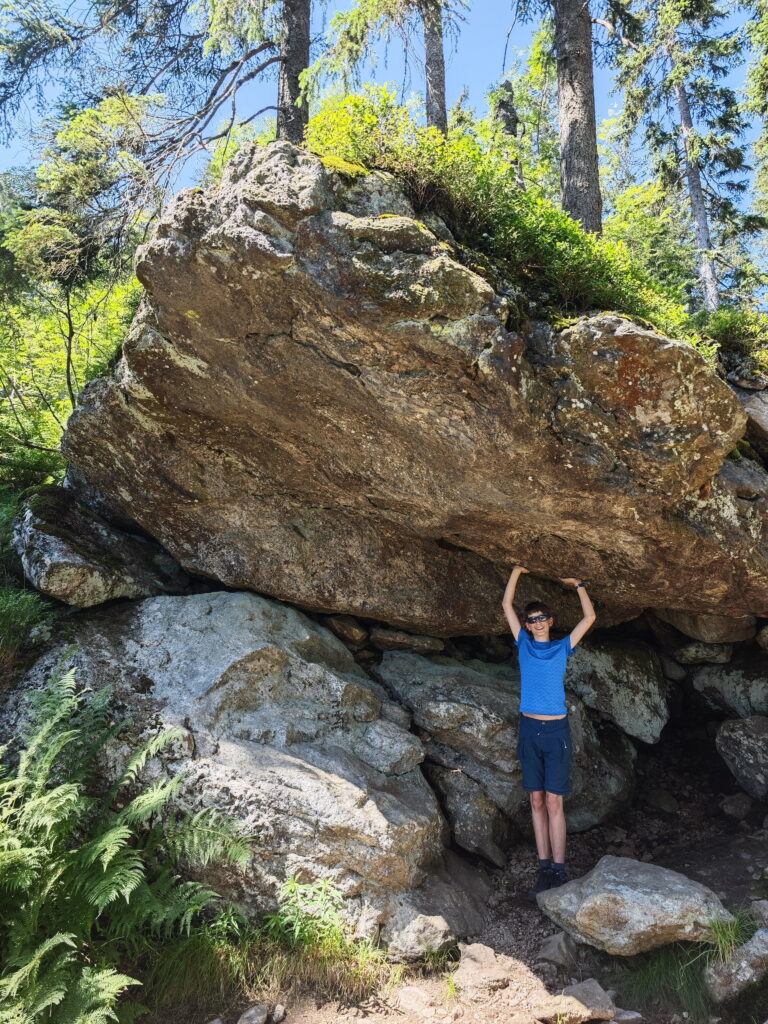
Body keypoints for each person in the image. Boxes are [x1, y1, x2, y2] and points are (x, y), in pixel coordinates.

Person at [502, 565, 596, 900]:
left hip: (556, 730)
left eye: (542, 618)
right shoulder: (523, 644)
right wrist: (516, 571)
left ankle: (559, 869)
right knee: (536, 800)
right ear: (527, 625)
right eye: (532, 619)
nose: (537, 622)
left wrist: (579, 584)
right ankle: (544, 868)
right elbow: (506, 605)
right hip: (529, 728)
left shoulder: (562, 648)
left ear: (551, 622)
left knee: (555, 801)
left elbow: (589, 618)